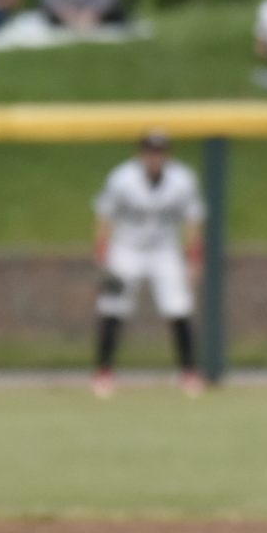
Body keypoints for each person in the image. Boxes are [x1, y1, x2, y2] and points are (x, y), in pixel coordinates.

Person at [91, 131, 206, 399]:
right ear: (140, 153)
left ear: (167, 154)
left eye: (159, 151)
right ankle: (103, 373)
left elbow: (192, 221)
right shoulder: (121, 178)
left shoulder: (182, 180)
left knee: (178, 307)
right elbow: (104, 215)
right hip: (126, 249)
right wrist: (102, 254)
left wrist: (193, 259)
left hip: (163, 250)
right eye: (149, 151)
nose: (154, 157)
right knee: (112, 307)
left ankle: (188, 372)